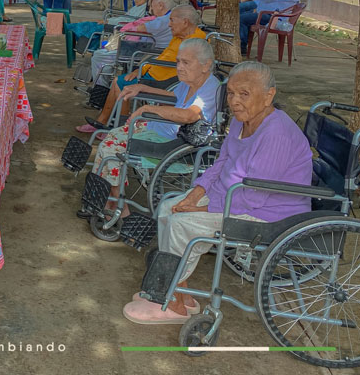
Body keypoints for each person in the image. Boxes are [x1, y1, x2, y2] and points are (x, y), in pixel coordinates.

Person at [122, 61, 312, 324]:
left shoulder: (277, 134)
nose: (234, 101)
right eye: (231, 93)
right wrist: (195, 193)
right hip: (233, 196)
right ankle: (181, 295)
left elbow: (254, 197)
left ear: (269, 95)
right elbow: (222, 162)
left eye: (244, 94)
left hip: (268, 214)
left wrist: (200, 208)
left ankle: (173, 305)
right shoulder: (242, 120)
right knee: (167, 207)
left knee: (182, 223)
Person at [78, 38, 221, 218]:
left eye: (186, 62)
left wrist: (149, 109)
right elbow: (171, 96)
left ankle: (116, 206)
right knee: (110, 139)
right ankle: (107, 200)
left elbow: (189, 115)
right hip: (158, 129)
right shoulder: (191, 82)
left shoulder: (211, 87)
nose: (179, 67)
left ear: (206, 65)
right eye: (178, 61)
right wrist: (142, 87)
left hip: (171, 143)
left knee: (110, 149)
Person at [77, 5, 207, 133]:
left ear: (185, 22)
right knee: (119, 81)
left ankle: (120, 127)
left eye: (172, 20)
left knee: (121, 83)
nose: (169, 24)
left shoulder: (196, 43)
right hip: (154, 73)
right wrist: (140, 70)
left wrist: (144, 68)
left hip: (166, 80)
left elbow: (188, 70)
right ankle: (106, 123)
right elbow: (163, 56)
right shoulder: (179, 37)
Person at [87, 0, 176, 86]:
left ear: (161, 5)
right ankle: (102, 85)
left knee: (98, 55)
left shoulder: (162, 20)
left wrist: (135, 26)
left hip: (145, 52)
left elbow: (139, 28)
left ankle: (100, 87)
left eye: (152, 4)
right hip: (146, 49)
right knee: (104, 54)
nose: (151, 8)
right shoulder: (167, 18)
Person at [66, 0, 150, 52]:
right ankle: (73, 31)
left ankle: (68, 28)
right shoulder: (137, 7)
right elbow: (125, 17)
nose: (134, 0)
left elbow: (129, 21)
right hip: (120, 22)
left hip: (122, 26)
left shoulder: (143, 8)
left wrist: (108, 21)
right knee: (90, 25)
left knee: (91, 26)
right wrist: (110, 20)